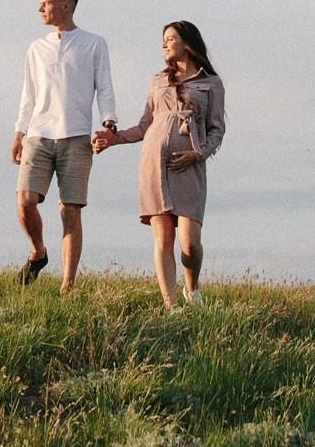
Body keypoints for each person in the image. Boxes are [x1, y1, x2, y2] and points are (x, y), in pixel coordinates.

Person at [94, 20, 224, 310]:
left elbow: (217, 129)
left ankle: (193, 290)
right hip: (153, 163)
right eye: (163, 39)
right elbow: (144, 126)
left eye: (170, 39)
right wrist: (112, 139)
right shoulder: (157, 81)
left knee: (189, 243)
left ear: (187, 44)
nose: (164, 44)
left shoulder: (210, 83)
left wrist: (198, 153)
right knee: (163, 234)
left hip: (188, 165)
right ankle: (171, 306)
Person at [10, 0, 115, 292]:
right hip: (38, 135)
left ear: (66, 6)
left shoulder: (94, 43)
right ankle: (38, 252)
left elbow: (105, 88)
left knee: (69, 210)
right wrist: (19, 132)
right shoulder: (35, 48)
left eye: (46, 3)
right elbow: (27, 95)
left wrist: (109, 125)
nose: (40, 8)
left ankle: (67, 286)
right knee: (26, 200)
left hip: (77, 136)